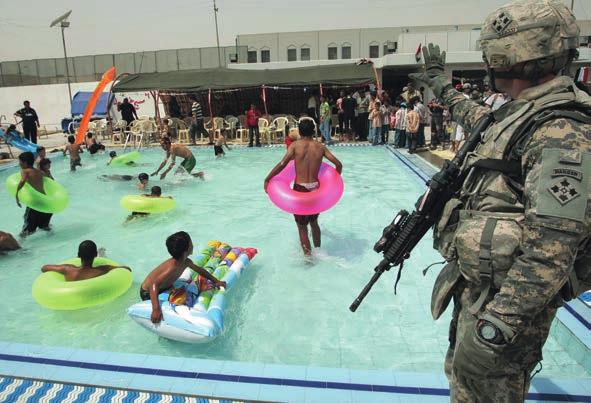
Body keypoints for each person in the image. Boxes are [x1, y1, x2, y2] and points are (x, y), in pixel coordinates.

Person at [409, 1, 591, 401]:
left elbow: (551, 250)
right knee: (465, 387)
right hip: (483, 292)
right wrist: (441, 85)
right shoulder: (523, 112)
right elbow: (477, 117)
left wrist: (498, 326)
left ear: (506, 55)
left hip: (506, 307)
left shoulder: (561, 131)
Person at [264, 120, 342, 256]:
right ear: (313, 131)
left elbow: (282, 164)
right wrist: (334, 180)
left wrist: (268, 178)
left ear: (299, 132)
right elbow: (338, 164)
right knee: (314, 222)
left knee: (302, 227)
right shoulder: (320, 147)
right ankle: (318, 251)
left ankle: (308, 257)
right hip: (316, 189)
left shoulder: (295, 146)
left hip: (300, 188)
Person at [140, 231, 226, 323]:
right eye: (191, 243)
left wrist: (216, 281)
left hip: (164, 286)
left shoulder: (186, 262)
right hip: (148, 293)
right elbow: (154, 284)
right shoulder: (172, 267)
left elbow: (200, 270)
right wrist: (156, 309)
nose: (193, 244)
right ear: (187, 249)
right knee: (182, 299)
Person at [41, 240, 130, 281]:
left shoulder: (67, 269)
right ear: (95, 255)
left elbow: (44, 268)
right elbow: (126, 269)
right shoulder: (102, 270)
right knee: (104, 257)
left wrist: (69, 266)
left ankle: (93, 252)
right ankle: (101, 253)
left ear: (78, 255)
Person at [15, 152, 53, 237]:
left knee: (26, 231)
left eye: (20, 161)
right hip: (46, 202)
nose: (19, 164)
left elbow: (22, 181)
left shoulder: (25, 171)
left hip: (36, 203)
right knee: (44, 226)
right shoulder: (39, 172)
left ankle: (20, 248)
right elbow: (49, 180)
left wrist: (17, 194)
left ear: (24, 163)